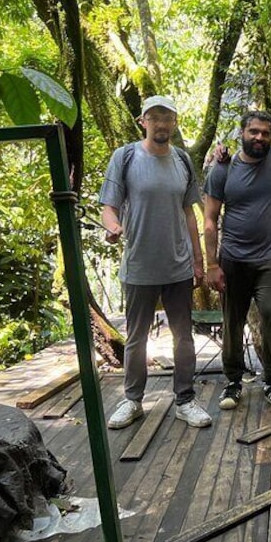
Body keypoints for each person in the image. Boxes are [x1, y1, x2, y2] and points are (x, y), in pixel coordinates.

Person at [99, 95, 212, 429]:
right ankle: (132, 400)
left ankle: (186, 400)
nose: (161, 123)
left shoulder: (181, 160)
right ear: (142, 121)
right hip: (139, 266)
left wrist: (198, 260)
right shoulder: (126, 156)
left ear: (174, 123)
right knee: (136, 337)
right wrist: (113, 227)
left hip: (177, 265)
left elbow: (190, 212)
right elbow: (109, 206)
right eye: (155, 117)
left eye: (167, 118)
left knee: (183, 337)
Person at [203, 111, 271, 412]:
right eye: (254, 132)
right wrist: (212, 264)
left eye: (265, 133)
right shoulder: (222, 169)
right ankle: (233, 381)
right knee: (233, 321)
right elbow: (210, 219)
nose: (259, 137)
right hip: (233, 258)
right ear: (242, 133)